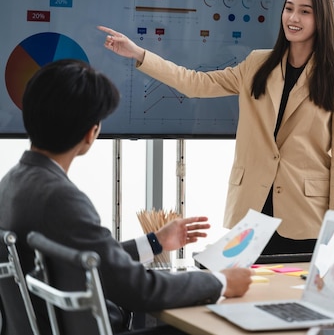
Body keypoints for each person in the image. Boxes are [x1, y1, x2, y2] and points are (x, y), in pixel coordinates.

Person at [98, 0, 334, 255]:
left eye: (305, 11)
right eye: (289, 8)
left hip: (307, 216)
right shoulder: (256, 64)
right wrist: (138, 53)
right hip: (253, 212)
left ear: (322, 19)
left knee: (297, 295)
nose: (293, 18)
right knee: (250, 292)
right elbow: (194, 83)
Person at [0, 59, 252, 334]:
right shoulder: (60, 198)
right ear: (91, 132)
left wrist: (155, 242)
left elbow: (86, 257)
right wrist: (221, 282)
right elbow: (139, 289)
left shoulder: (12, 183)